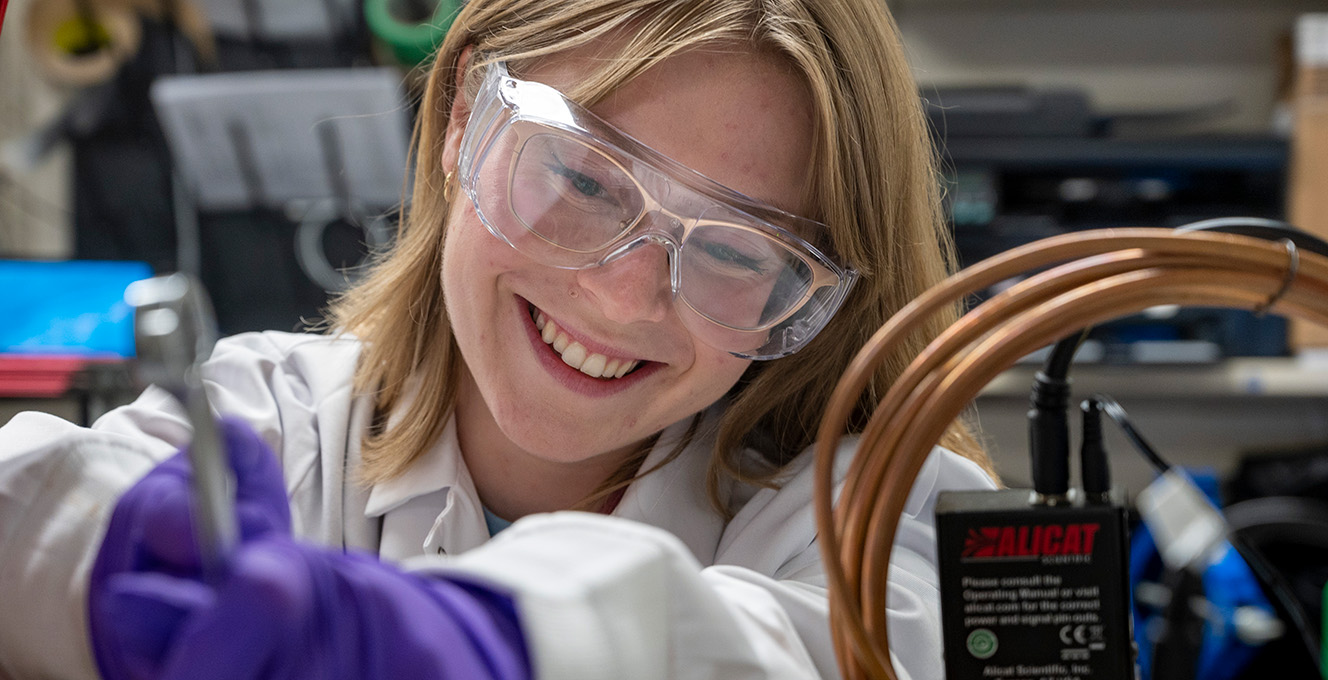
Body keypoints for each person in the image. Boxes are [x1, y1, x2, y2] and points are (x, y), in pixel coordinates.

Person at [0, 1, 1000, 678]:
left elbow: (817, 650)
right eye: (579, 178)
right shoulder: (277, 419)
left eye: (734, 252)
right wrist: (101, 547)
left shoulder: (881, 506)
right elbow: (27, 507)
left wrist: (491, 640)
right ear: (458, 116)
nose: (620, 298)